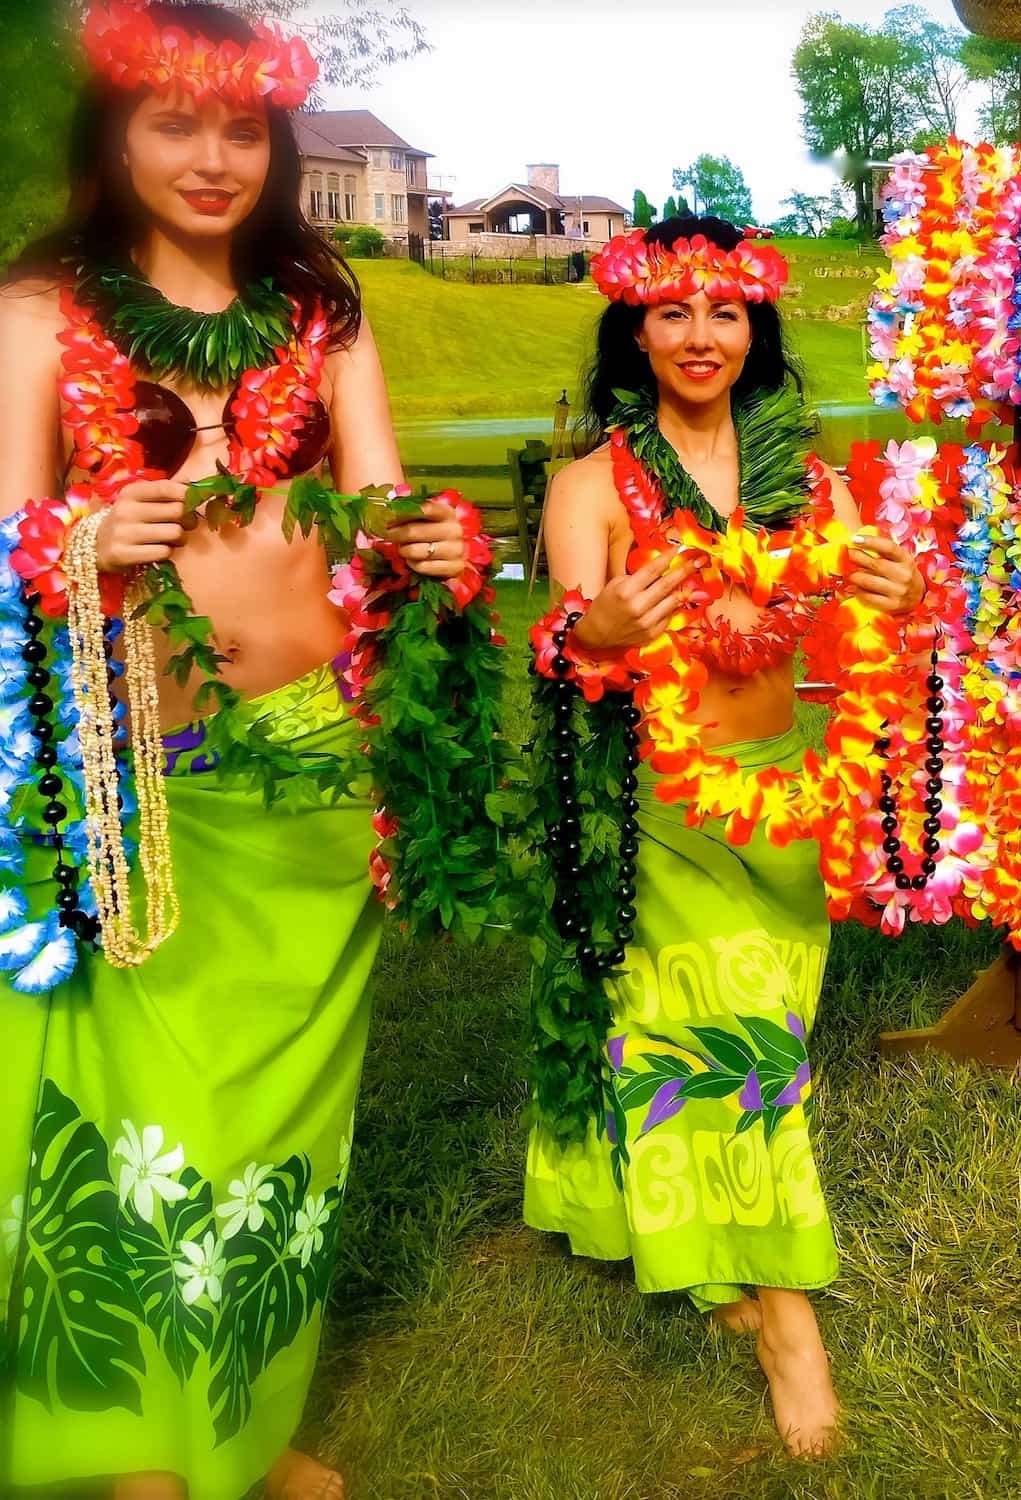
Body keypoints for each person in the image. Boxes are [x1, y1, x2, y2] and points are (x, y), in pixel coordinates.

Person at [0, 5, 488, 1498]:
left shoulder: (319, 308)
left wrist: (435, 543)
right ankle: (132, 1441)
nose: (211, 159)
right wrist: (81, 535)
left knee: (279, 1131)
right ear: (115, 136)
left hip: (320, 769)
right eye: (173, 123)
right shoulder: (41, 314)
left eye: (240, 129)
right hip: (136, 781)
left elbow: (385, 503)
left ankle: (245, 1423)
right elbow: (6, 537)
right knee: (148, 1124)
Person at [521, 216, 923, 1458]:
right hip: (667, 807)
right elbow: (557, 653)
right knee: (738, 1040)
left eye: (725, 312)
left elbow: (867, 615)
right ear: (631, 330)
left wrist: (901, 592)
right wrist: (591, 635)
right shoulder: (592, 485)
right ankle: (787, 1319)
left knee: (756, 1035)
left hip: (791, 791)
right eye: (671, 312)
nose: (700, 337)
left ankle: (700, 1240)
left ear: (757, 329)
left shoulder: (812, 476)